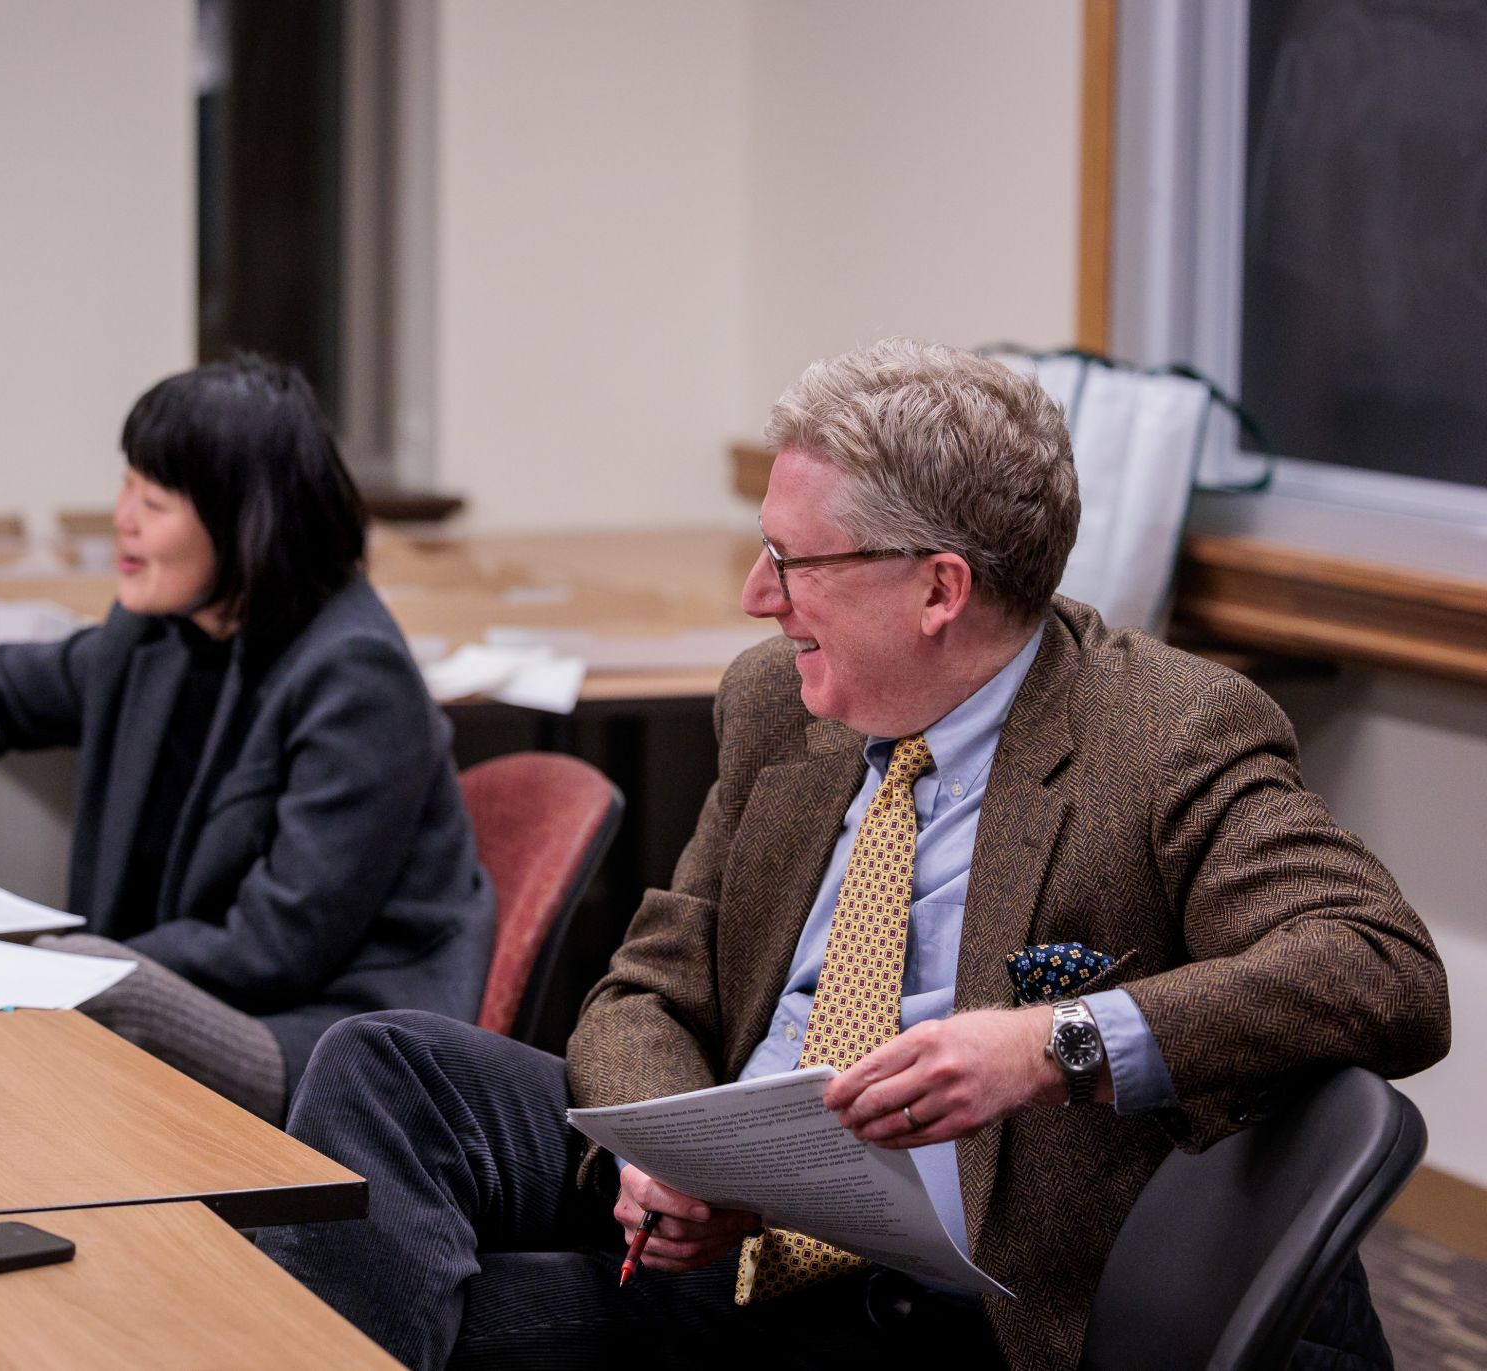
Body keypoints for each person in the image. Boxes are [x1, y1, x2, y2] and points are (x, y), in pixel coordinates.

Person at [256, 339, 1450, 1369]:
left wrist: (1053, 1042)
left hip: (929, 1302)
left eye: (792, 561)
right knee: (381, 1065)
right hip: (730, 1215)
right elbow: (649, 987)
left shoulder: (1164, 736)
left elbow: (1379, 968)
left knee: (420, 1325)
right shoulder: (781, 705)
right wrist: (677, 1149)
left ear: (937, 588)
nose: (753, 596)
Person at [0, 356, 495, 1125]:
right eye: (127, 484)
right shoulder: (157, 633)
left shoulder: (355, 676)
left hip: (322, 1043)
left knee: (82, 985)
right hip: (195, 990)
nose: (122, 517)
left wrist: (51, 963)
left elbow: (273, 947)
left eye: (154, 501)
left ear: (243, 525)